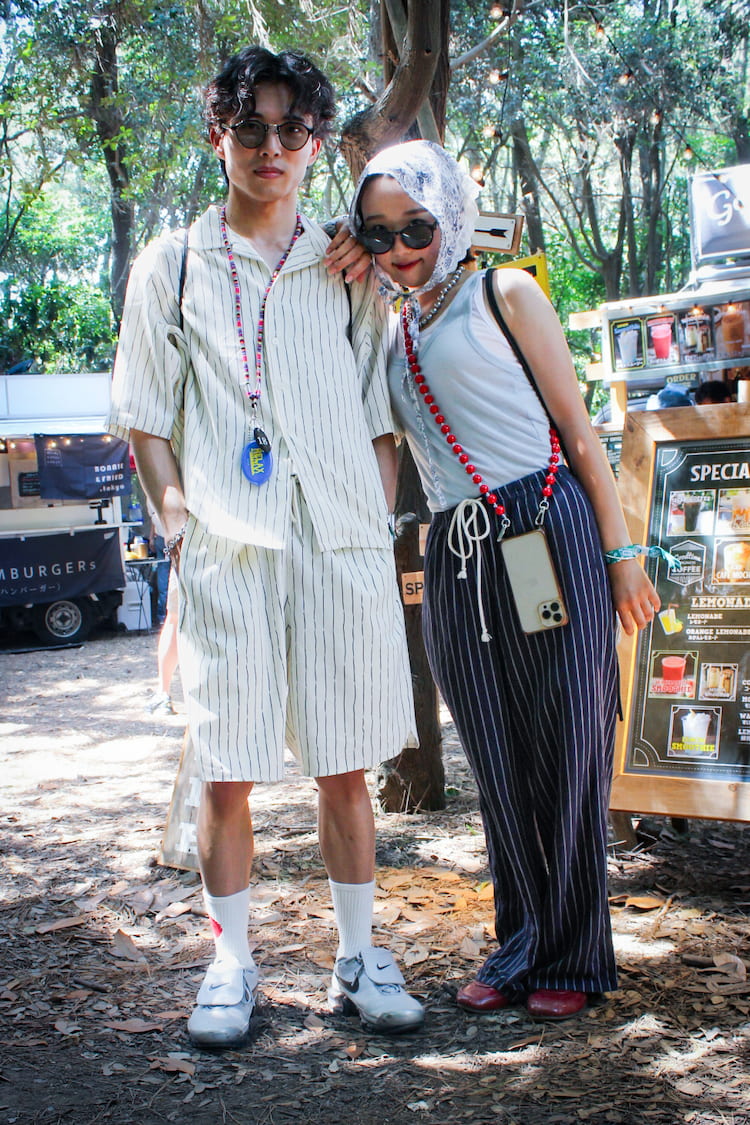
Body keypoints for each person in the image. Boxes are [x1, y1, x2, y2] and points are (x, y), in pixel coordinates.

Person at [108, 46, 422, 1048]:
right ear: (220, 138)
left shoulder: (346, 266)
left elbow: (379, 413)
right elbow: (145, 418)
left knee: (345, 762)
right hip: (227, 549)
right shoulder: (173, 265)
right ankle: (231, 962)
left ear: (316, 142)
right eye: (251, 128)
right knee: (226, 765)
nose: (271, 147)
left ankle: (358, 957)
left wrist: (371, 525)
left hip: (340, 545)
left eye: (293, 129)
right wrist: (178, 526)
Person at [348, 140, 660, 1021]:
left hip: (540, 530)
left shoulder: (504, 293)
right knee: (493, 749)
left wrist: (622, 556)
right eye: (377, 234)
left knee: (565, 741)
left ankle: (572, 952)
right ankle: (520, 943)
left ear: (450, 215)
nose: (400, 248)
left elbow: (579, 431)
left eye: (416, 227)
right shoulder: (390, 323)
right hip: (456, 551)